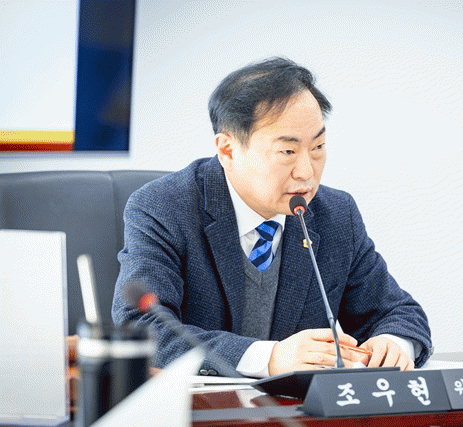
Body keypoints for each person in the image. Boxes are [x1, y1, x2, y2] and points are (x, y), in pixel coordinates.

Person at [112, 57, 432, 377]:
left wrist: (394, 344)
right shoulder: (164, 208)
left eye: (318, 146)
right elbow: (141, 327)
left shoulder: (335, 214)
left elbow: (400, 313)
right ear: (227, 150)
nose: (306, 172)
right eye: (287, 152)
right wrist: (270, 357)